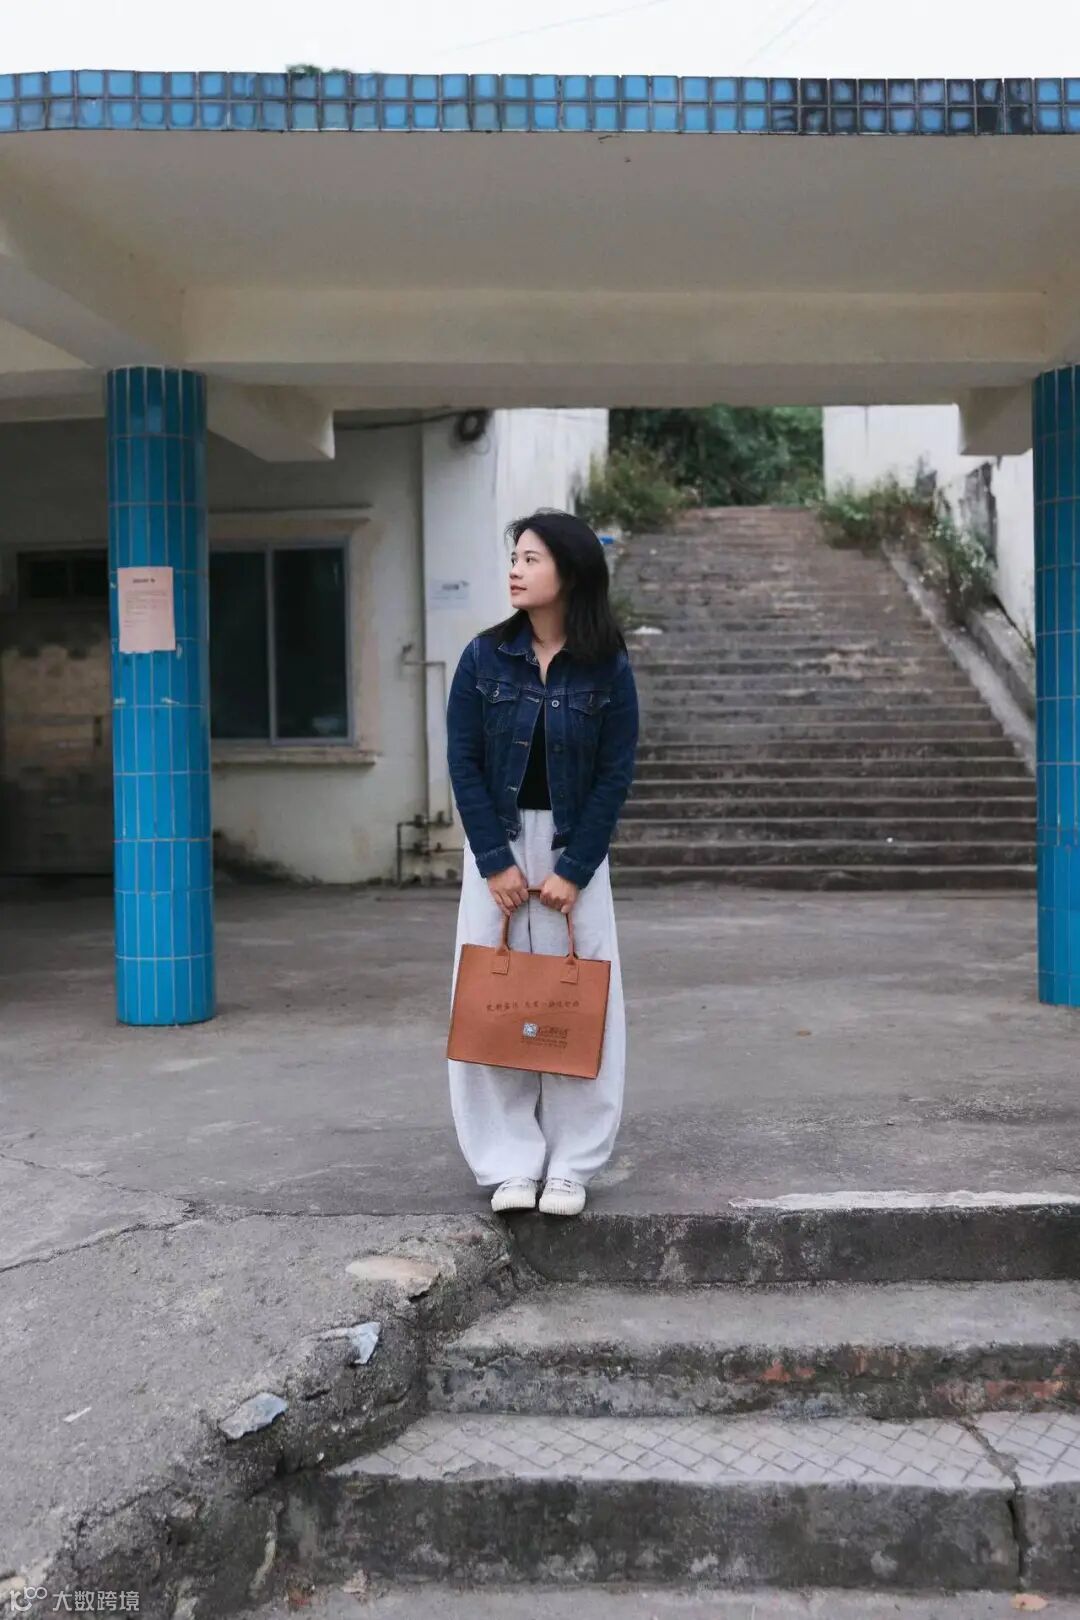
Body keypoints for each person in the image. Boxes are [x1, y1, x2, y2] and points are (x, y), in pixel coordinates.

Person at [445, 509, 639, 1218]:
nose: (515, 570)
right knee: (491, 995)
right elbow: (463, 762)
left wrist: (576, 867)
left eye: (531, 559)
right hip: (496, 849)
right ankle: (507, 1162)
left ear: (570, 570)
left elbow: (615, 772)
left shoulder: (606, 664)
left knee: (580, 1000)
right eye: (514, 558)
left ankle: (572, 1163)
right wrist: (493, 861)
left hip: (571, 851)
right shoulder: (483, 658)